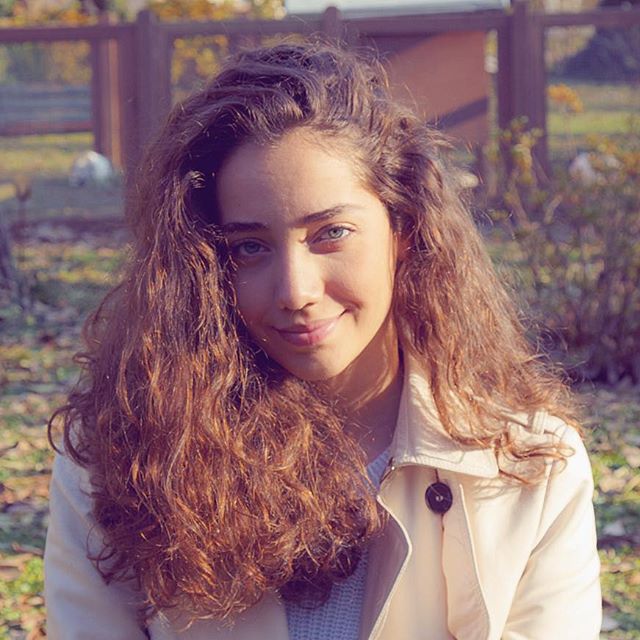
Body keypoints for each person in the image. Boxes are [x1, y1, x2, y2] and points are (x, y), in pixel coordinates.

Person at [44, 41, 602, 640]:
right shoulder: (117, 458)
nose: (296, 291)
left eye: (330, 233)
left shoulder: (533, 465)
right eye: (249, 247)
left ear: (404, 229)